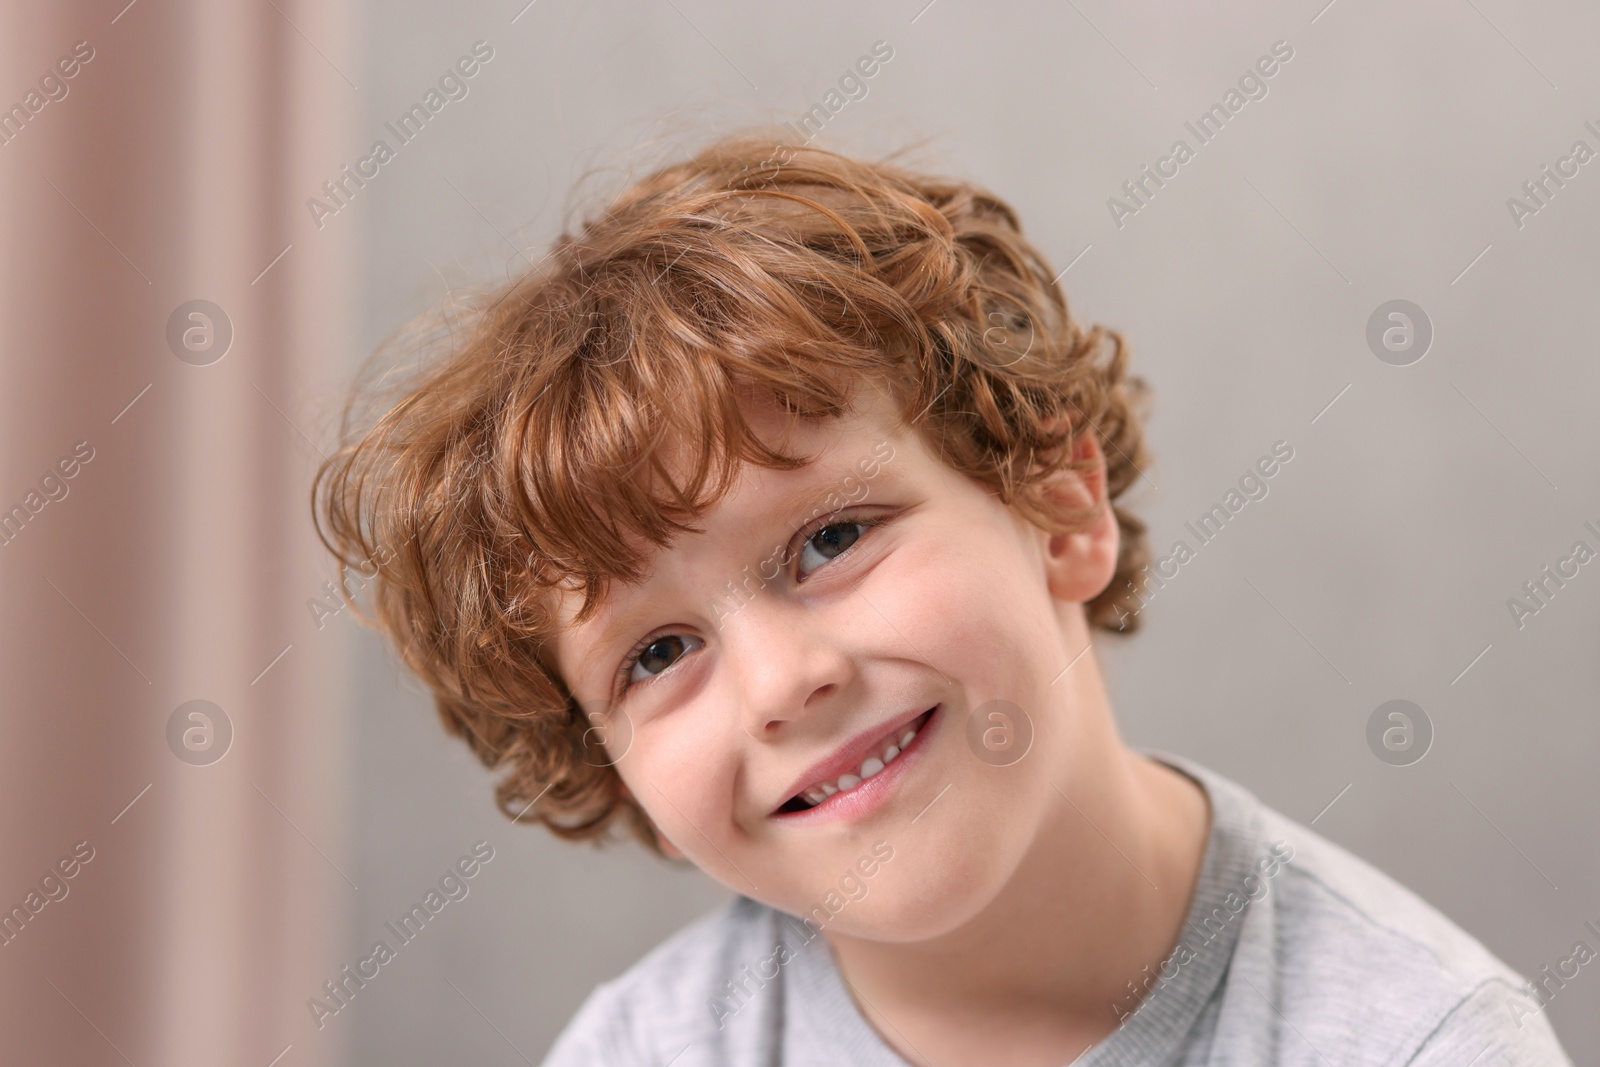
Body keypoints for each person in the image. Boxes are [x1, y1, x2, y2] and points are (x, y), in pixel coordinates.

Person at [313, 131, 1572, 1066]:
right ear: (610, 767)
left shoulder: (1419, 1038)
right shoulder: (643, 1051)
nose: (781, 681)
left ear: (1058, 509)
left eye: (831, 538)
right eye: (655, 653)